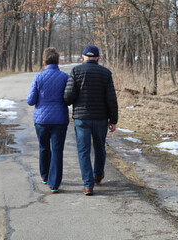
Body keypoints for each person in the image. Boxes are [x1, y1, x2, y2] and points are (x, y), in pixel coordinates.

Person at [64, 45, 118, 196]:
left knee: (84, 150)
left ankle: (88, 185)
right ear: (98, 58)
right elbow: (111, 99)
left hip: (82, 119)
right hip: (101, 119)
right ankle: (98, 175)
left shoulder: (76, 71)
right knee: (100, 147)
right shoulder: (106, 73)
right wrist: (113, 120)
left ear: (83, 58)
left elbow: (68, 97)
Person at [26, 47, 69, 194]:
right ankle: (54, 184)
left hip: (41, 120)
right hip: (60, 120)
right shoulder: (65, 77)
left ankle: (44, 176)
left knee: (44, 147)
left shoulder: (38, 78)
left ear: (44, 62)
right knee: (57, 151)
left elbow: (30, 101)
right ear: (58, 62)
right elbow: (69, 99)